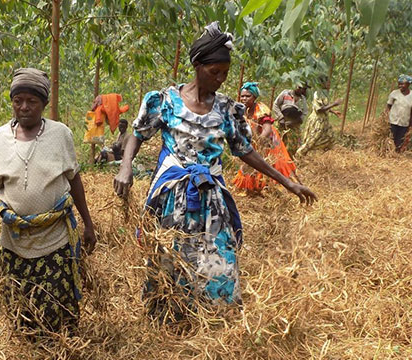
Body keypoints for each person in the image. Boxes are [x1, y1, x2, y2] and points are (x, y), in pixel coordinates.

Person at [113, 23, 317, 322]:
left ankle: (216, 316)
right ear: (197, 66)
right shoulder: (165, 101)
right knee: (170, 257)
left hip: (211, 197)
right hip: (173, 198)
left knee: (220, 257)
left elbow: (244, 150)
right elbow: (138, 135)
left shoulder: (227, 110)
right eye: (215, 72)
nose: (221, 79)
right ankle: (169, 315)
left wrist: (288, 182)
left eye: (225, 73)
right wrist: (125, 166)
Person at [0, 68, 96, 337]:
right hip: (15, 241)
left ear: (44, 104)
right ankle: (28, 345)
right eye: (17, 100)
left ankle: (60, 349)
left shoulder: (60, 134)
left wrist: (87, 224)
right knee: (23, 305)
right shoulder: (0, 137)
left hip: (54, 239)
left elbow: (74, 179)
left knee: (58, 303)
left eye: (31, 101)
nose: (23, 107)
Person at [231, 81, 297, 194]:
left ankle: (275, 188)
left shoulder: (261, 109)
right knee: (251, 164)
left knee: (272, 165)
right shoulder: (241, 109)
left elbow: (267, 129)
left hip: (268, 142)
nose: (244, 98)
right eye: (242, 96)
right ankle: (252, 188)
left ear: (254, 96)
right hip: (254, 141)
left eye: (248, 96)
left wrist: (259, 141)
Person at [296, 79, 341, 157]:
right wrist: (334, 104)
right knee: (311, 140)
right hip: (317, 121)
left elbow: (325, 106)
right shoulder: (317, 94)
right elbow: (319, 109)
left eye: (329, 82)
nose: (329, 84)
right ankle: (298, 154)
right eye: (327, 82)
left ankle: (321, 157)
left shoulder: (324, 94)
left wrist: (333, 111)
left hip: (324, 121)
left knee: (330, 138)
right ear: (322, 84)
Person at [272, 82, 308, 153]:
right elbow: (275, 105)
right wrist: (281, 118)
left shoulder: (302, 99)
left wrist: (294, 122)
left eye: (303, 89)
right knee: (278, 142)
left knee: (292, 146)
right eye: (299, 88)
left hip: (294, 123)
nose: (300, 90)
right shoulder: (285, 93)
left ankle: (289, 161)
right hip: (282, 121)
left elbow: (304, 113)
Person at [385, 74, 412, 152]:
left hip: (404, 122)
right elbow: (388, 106)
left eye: (403, 84)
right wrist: (385, 118)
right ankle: (390, 153)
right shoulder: (394, 93)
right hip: (393, 120)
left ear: (409, 84)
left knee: (400, 140)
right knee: (391, 138)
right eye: (399, 83)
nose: (400, 86)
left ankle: (396, 153)